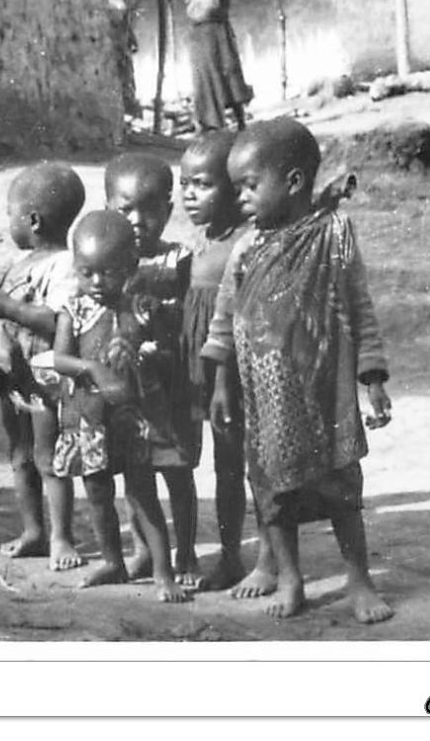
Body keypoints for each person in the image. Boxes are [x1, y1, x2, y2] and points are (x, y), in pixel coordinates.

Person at [201, 117, 394, 622]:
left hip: (324, 393)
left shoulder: (334, 233)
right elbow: (225, 318)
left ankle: (358, 580)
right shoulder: (246, 247)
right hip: (264, 399)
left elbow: (358, 305)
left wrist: (372, 378)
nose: (239, 198)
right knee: (273, 494)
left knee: (342, 490)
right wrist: (220, 381)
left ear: (292, 182)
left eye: (248, 186)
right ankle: (290, 579)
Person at [45, 210, 191, 604]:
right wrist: (92, 367)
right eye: (86, 272)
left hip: (130, 420)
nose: (95, 282)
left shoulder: (141, 308)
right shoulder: (71, 311)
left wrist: (142, 355)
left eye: (107, 272)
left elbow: (164, 353)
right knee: (97, 495)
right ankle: (113, 561)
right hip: (88, 419)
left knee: (143, 495)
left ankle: (164, 573)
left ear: (129, 266)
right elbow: (59, 359)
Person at [0, 162, 87, 569]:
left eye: (10, 213)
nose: (8, 222)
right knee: (19, 454)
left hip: (44, 378)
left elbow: (56, 322)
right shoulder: (21, 265)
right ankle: (33, 530)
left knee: (48, 456)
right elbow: (10, 318)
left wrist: (5, 305)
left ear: (32, 219)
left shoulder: (64, 265)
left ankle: (62, 538)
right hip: (13, 377)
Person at [177, 130, 271, 593]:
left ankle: (262, 557)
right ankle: (232, 554)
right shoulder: (201, 240)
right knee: (222, 466)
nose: (189, 195)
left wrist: (220, 382)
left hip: (233, 373)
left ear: (234, 188)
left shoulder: (247, 242)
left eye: (202, 184)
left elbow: (241, 319)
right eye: (185, 185)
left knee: (248, 463)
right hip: (201, 371)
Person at [103, 152, 200, 587]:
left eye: (150, 209)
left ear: (169, 209)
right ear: (108, 210)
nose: (138, 220)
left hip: (170, 385)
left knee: (178, 473)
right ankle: (144, 550)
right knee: (136, 474)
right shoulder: (104, 265)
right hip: (128, 391)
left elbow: (188, 317)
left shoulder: (180, 259)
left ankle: (187, 553)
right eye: (125, 210)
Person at [185, 0, 252, 132]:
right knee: (205, 79)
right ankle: (210, 123)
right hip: (199, 39)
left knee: (227, 73)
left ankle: (241, 121)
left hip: (218, 35)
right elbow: (192, 15)